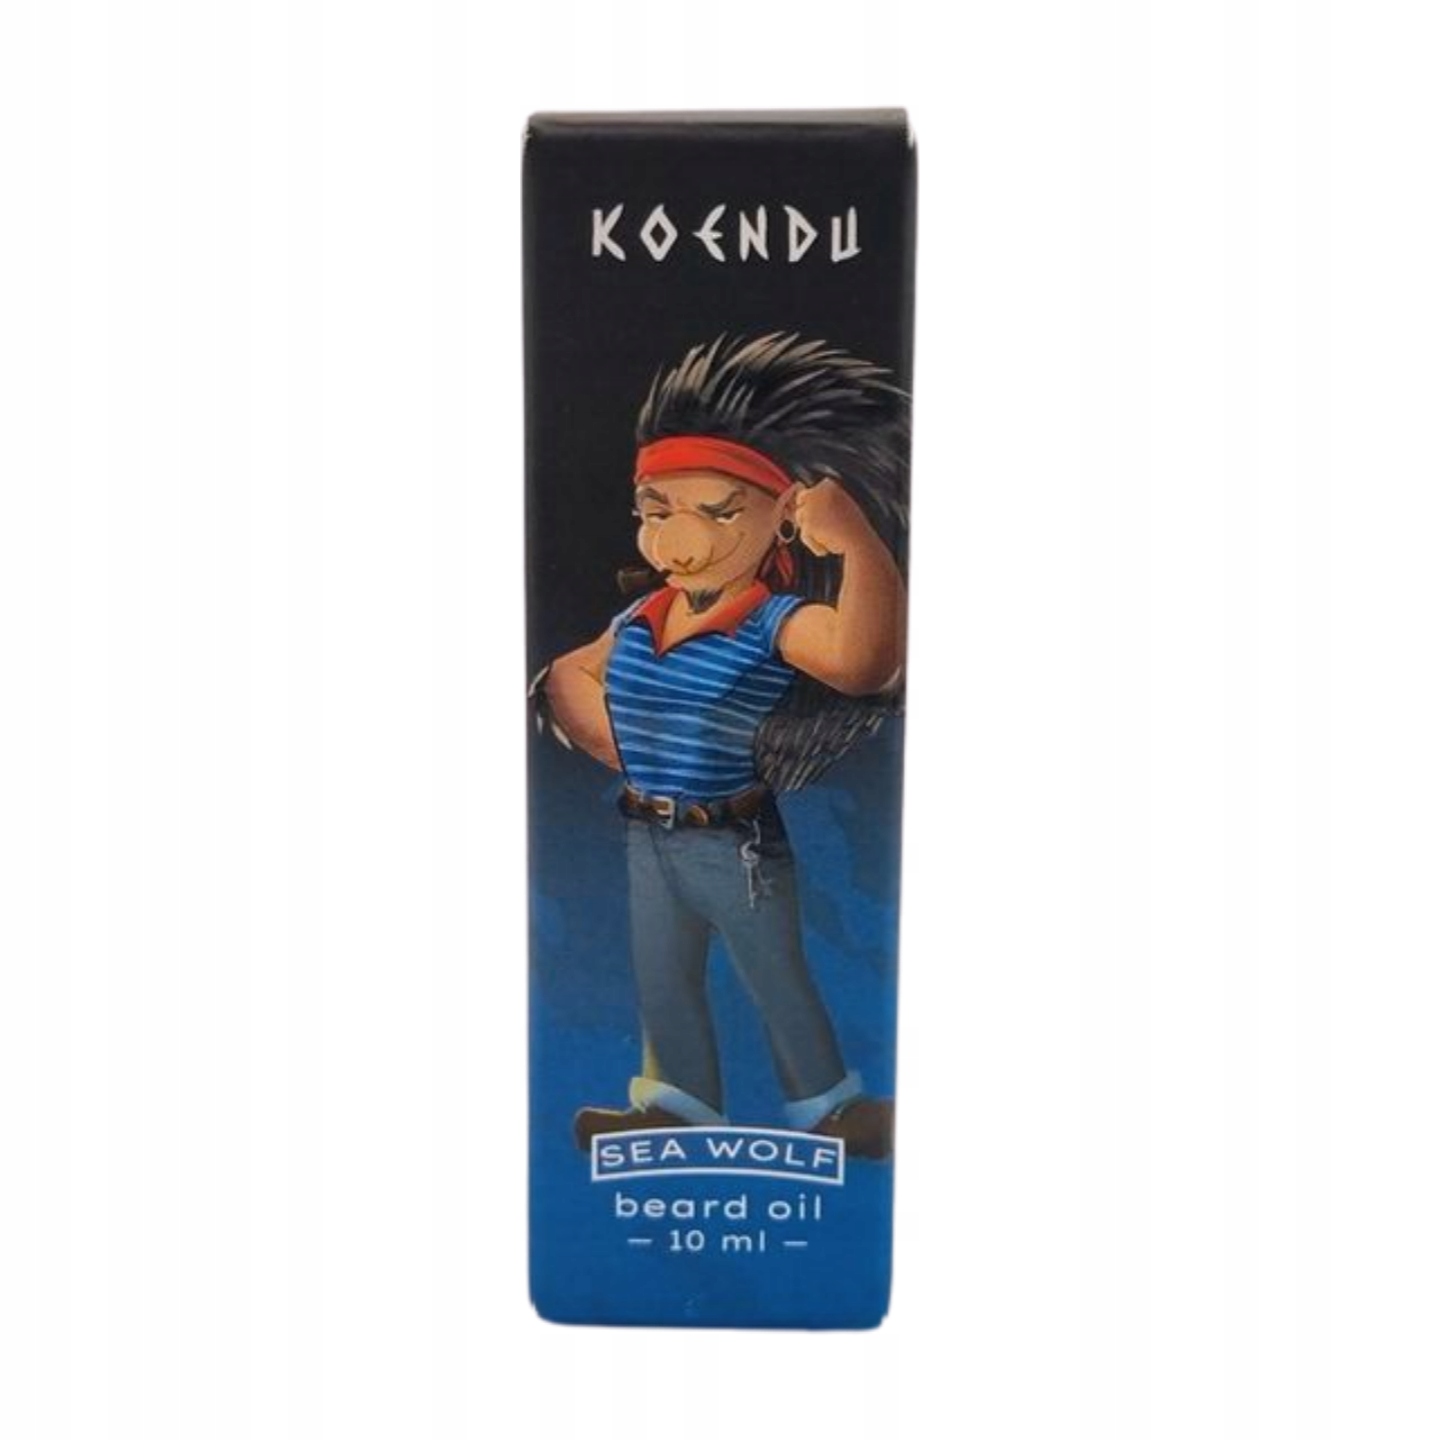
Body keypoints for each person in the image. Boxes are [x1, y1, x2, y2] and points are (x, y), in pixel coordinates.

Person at [537, 331, 909, 1160]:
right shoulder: (644, 617)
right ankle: (679, 1105)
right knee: (661, 974)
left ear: (784, 516)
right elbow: (569, 672)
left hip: (732, 842)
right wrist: (637, 753)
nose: (680, 542)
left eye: (718, 512)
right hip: (650, 833)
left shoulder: (772, 622)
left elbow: (864, 662)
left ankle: (830, 1108)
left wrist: (855, 543)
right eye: (656, 512)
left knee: (773, 974)